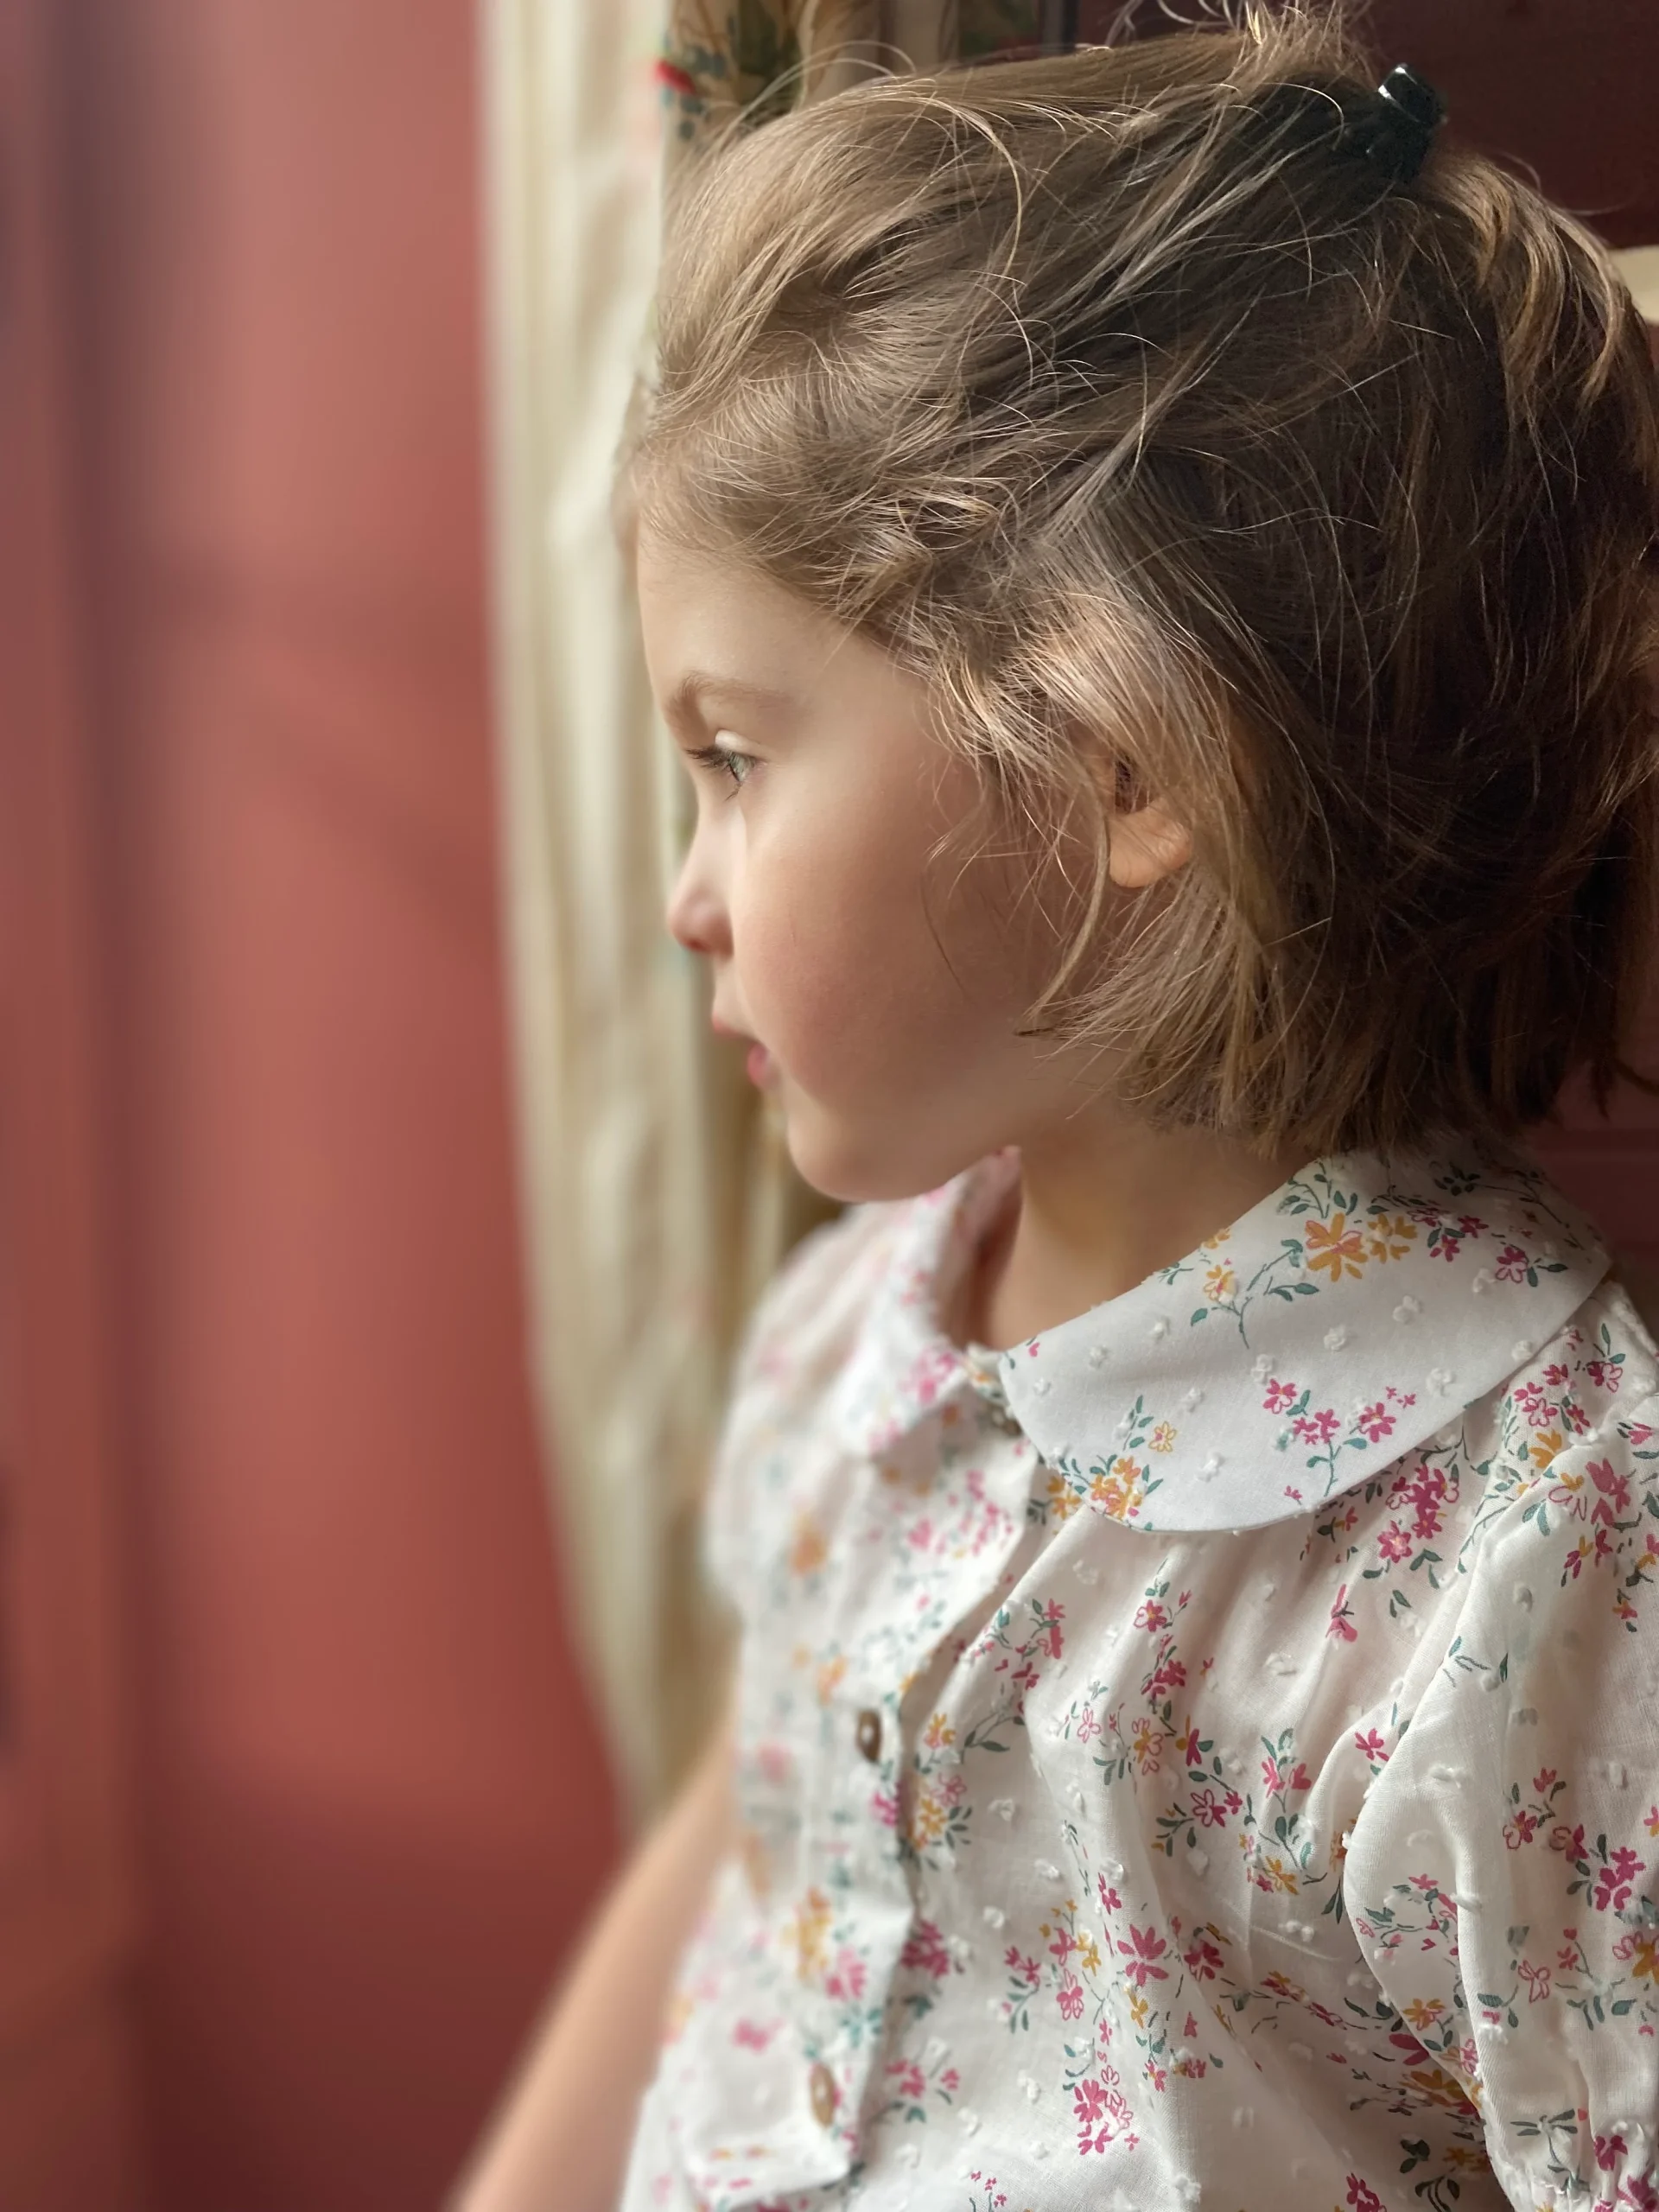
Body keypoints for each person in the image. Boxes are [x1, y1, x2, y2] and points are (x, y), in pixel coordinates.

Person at [455, 7, 1659, 2208]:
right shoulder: (855, 1342)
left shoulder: (1533, 1548)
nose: (684, 893)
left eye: (734, 756)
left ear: (1114, 764)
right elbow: (751, 1853)